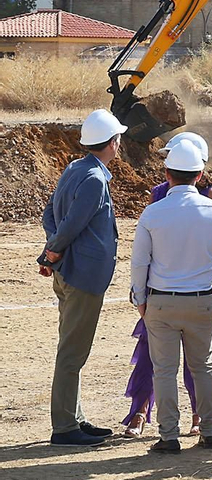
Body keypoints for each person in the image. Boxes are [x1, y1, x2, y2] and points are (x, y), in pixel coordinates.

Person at [129, 138, 212, 453]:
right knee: (204, 366)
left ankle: (168, 435)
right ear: (199, 174)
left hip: (161, 300)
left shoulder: (153, 213)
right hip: (202, 300)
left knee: (164, 370)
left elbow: (139, 261)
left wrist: (140, 298)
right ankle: (208, 430)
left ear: (167, 173)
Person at [39, 109, 129, 447]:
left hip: (69, 272)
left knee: (71, 350)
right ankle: (64, 427)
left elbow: (51, 215)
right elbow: (72, 224)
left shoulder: (75, 169)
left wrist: (53, 250)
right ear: (111, 143)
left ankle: (73, 417)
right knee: (72, 354)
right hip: (82, 276)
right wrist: (53, 251)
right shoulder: (93, 178)